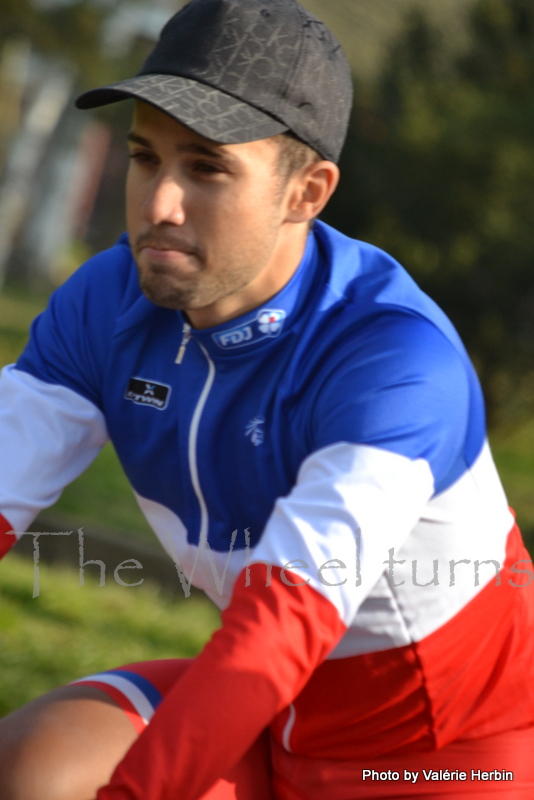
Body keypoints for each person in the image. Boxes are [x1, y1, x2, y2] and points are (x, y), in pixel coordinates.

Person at [0, 0, 533, 798]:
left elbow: (280, 632)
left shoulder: (393, 358)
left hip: (439, 756)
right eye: (146, 158)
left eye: (207, 169)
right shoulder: (107, 299)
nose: (157, 206)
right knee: (32, 768)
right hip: (267, 717)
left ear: (307, 191)